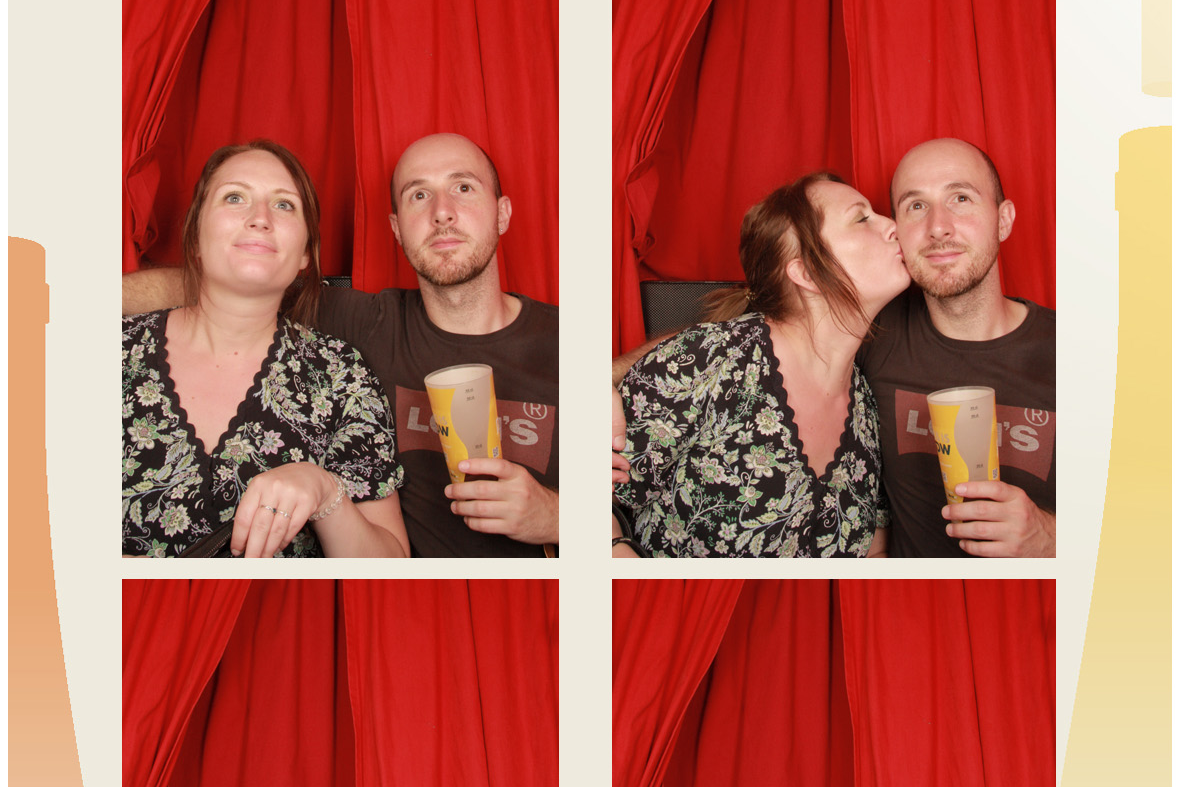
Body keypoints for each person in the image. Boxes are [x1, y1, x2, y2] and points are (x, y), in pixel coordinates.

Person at [124, 132, 558, 558]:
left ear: (503, 213)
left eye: (463, 187)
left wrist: (556, 516)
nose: (442, 212)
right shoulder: (365, 325)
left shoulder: (568, 346)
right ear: (396, 228)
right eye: (419, 195)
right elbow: (241, 274)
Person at [122, 140, 410, 559]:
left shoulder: (342, 375)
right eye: (234, 197)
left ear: (306, 253)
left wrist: (326, 492)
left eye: (284, 205)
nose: (260, 218)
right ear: (196, 237)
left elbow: (391, 566)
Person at [611, 174, 908, 557]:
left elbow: (873, 546)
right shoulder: (710, 361)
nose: (892, 225)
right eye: (861, 218)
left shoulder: (866, 405)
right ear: (807, 273)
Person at [860, 138, 1055, 558]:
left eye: (961, 198)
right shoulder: (870, 337)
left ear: (1003, 220)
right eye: (916, 206)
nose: (938, 227)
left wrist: (1050, 537)